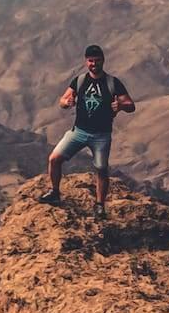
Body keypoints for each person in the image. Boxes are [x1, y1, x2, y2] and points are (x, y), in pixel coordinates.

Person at [41, 44, 134, 213]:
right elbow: (62, 101)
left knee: (101, 169)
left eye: (97, 60)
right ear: (86, 62)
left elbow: (130, 105)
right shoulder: (80, 81)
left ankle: (99, 205)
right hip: (78, 131)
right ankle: (54, 192)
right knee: (54, 159)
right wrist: (67, 102)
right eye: (91, 61)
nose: (94, 64)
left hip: (101, 135)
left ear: (103, 60)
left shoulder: (112, 83)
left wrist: (121, 106)